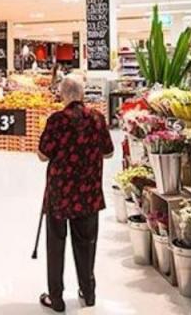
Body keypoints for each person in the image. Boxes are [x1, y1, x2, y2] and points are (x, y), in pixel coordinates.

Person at [37, 75, 114, 312]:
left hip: (60, 194)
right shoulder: (97, 118)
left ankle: (56, 299)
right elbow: (109, 152)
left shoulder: (57, 120)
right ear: (82, 94)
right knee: (86, 243)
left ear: (62, 95)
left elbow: (43, 155)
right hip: (88, 193)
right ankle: (88, 293)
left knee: (56, 245)